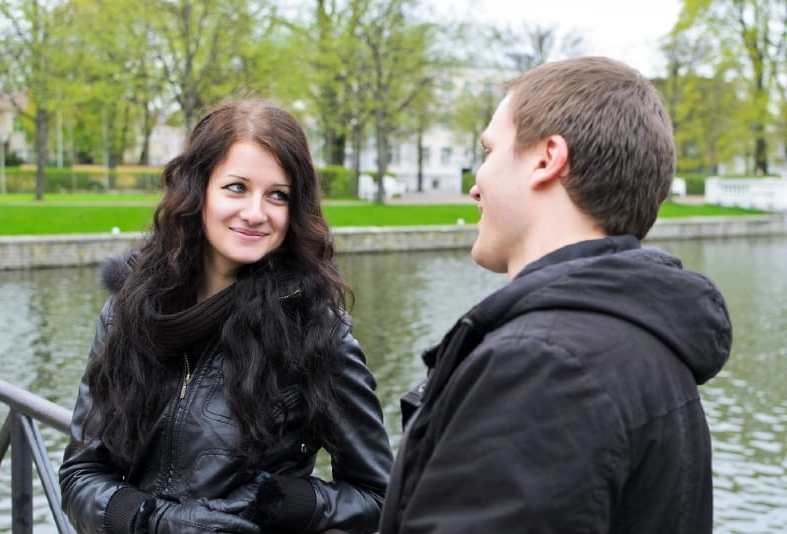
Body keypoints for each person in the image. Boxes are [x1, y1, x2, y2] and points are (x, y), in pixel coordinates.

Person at [379, 57, 732, 533]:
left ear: (547, 160)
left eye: (488, 151)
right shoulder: (642, 339)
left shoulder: (542, 364)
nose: (474, 185)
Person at [59, 98, 394, 534]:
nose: (256, 213)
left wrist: (283, 503)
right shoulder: (129, 311)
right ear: (198, 191)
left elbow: (380, 497)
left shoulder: (316, 332)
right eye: (237, 187)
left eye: (278, 195)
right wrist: (154, 521)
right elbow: (79, 475)